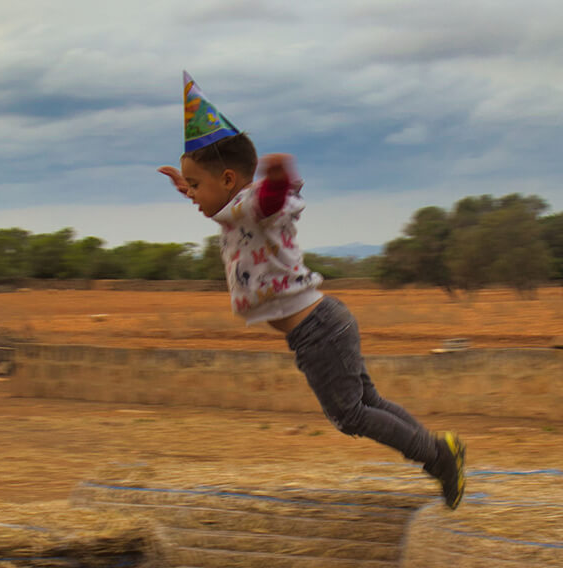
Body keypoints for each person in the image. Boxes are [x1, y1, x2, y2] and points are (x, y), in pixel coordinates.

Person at [156, 72, 466, 509]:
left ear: (228, 180)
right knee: (367, 401)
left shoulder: (255, 206)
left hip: (318, 329)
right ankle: (440, 450)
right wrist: (186, 186)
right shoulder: (234, 211)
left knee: (350, 415)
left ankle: (437, 457)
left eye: (195, 185)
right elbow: (229, 206)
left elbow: (268, 201)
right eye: (187, 186)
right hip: (321, 325)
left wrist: (280, 176)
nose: (191, 195)